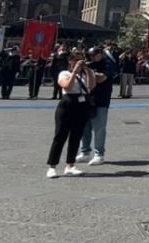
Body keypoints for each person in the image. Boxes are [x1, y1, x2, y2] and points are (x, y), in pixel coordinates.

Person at [45, 49, 96, 178]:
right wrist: (74, 72)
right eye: (76, 59)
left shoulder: (86, 73)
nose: (79, 62)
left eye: (81, 59)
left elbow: (91, 86)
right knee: (60, 136)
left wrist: (89, 70)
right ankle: (52, 166)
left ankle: (70, 164)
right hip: (67, 103)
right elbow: (67, 86)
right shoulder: (64, 73)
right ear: (71, 61)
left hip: (82, 105)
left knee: (76, 136)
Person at [78, 47, 118, 166]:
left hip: (101, 100)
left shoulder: (108, 63)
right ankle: (85, 152)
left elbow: (101, 78)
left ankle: (99, 154)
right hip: (87, 98)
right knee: (85, 127)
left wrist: (88, 71)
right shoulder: (90, 63)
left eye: (94, 54)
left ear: (101, 53)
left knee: (99, 128)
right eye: (89, 55)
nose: (91, 57)